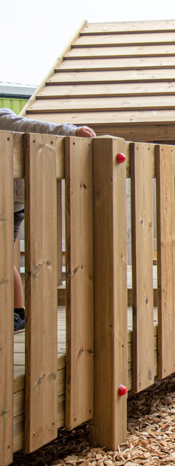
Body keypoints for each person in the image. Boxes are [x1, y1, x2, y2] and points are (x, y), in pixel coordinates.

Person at [1, 108, 96, 331]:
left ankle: (17, 313)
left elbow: (33, 127)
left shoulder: (3, 119)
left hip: (9, 204)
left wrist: (71, 131)